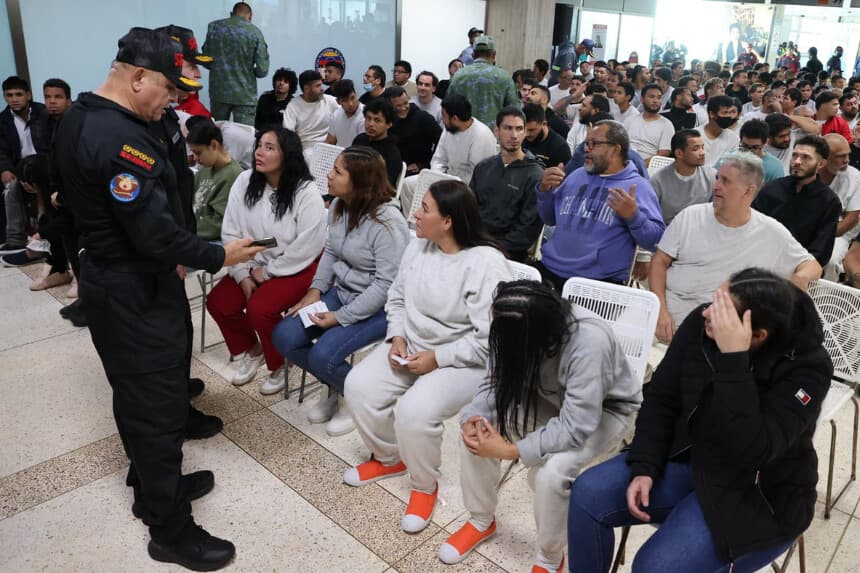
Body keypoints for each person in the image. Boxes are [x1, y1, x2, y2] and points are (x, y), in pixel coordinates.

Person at [53, 27, 265, 569]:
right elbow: (152, 235)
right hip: (134, 287)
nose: (174, 102)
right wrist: (220, 255)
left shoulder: (83, 115)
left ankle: (151, 483)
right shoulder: (119, 141)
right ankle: (170, 530)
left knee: (144, 391)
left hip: (120, 276)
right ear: (138, 77)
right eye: (169, 91)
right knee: (154, 403)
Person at [569, 268, 833, 573]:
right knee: (587, 494)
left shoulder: (808, 369)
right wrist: (645, 464)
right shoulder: (702, 322)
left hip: (756, 491)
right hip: (689, 458)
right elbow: (662, 398)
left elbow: (756, 451)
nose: (707, 313)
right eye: (713, 301)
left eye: (722, 312)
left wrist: (734, 360)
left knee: (655, 568)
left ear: (756, 335)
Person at [342, 180, 512, 534]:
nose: (415, 214)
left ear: (448, 221)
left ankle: (424, 486)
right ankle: (389, 458)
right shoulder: (418, 248)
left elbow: (490, 340)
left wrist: (439, 357)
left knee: (414, 412)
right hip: (412, 345)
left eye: (425, 209)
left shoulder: (486, 265)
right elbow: (397, 298)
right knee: (358, 386)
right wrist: (398, 336)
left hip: (464, 359)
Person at [438, 280, 641, 572]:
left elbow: (577, 424)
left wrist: (513, 450)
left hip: (606, 412)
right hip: (547, 395)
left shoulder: (588, 341)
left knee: (551, 475)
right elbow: (495, 380)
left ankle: (550, 557)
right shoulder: (511, 323)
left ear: (538, 338)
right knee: (476, 434)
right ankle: (482, 519)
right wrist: (473, 415)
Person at [272, 146, 408, 435]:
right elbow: (331, 252)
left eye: (337, 171)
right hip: (342, 292)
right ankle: (341, 388)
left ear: (359, 182)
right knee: (284, 335)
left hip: (380, 306)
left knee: (323, 355)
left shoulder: (387, 223)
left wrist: (340, 316)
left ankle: (356, 398)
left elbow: (385, 286)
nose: (329, 176)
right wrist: (315, 291)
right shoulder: (337, 205)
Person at [650, 154, 821, 341]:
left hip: (718, 329)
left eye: (725, 181)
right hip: (668, 316)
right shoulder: (690, 216)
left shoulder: (770, 231)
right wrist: (660, 310)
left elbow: (812, 265)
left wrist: (800, 277)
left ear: (749, 191)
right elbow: (659, 261)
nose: (716, 186)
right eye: (717, 178)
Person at [206, 126, 327, 391]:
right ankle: (253, 349)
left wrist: (268, 273)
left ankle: (279, 363)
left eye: (270, 147)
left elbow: (307, 246)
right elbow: (230, 232)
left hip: (298, 265)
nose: (259, 152)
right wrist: (241, 273)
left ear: (288, 155)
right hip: (252, 264)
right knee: (219, 303)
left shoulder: (305, 191)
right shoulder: (245, 180)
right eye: (259, 145)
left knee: (260, 309)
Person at [536, 120, 665, 290]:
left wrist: (634, 217)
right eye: (586, 143)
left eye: (594, 144)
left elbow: (656, 241)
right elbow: (549, 219)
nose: (586, 149)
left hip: (597, 284)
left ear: (615, 149)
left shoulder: (637, 187)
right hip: (551, 270)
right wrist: (545, 192)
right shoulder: (576, 175)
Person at [753, 134, 842, 267]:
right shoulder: (773, 187)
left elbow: (820, 252)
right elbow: (752, 225)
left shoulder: (829, 202)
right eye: (795, 155)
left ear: (821, 164)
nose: (797, 161)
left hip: (799, 268)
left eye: (806, 157)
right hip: (759, 258)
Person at [470, 107, 544, 262]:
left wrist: (494, 249)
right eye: (508, 128)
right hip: (474, 244)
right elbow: (469, 210)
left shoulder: (534, 174)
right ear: (497, 131)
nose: (514, 135)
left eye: (519, 129)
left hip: (508, 253)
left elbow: (528, 228)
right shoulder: (483, 167)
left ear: (525, 133)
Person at [0, 76, 51, 254]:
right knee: (10, 188)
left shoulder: (44, 113)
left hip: (44, 165)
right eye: (9, 95)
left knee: (42, 185)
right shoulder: (3, 120)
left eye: (19, 94)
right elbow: (2, 150)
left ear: (28, 95)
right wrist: (5, 169)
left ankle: (44, 236)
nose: (14, 99)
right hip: (19, 168)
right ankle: (15, 240)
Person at [202, 2, 269, 125]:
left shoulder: (214, 27)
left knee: (217, 133)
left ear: (231, 14)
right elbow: (262, 70)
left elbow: (205, 60)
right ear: (250, 16)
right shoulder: (255, 32)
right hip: (245, 95)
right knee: (244, 136)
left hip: (219, 93)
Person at [187, 120, 243, 241]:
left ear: (213, 145)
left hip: (214, 241)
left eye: (198, 152)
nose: (195, 159)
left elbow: (218, 224)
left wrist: (185, 233)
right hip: (193, 234)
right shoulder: (204, 170)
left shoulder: (234, 175)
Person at [448, 35, 520, 128]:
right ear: (493, 55)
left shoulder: (458, 76)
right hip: (493, 137)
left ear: (473, 55)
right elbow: (515, 112)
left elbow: (448, 109)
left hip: (464, 136)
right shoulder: (504, 77)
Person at [651, 129, 715, 225]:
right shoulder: (658, 181)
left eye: (702, 147)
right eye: (695, 149)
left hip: (701, 230)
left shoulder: (712, 176)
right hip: (669, 232)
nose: (702, 153)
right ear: (679, 153)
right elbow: (653, 218)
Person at [818, 134, 860, 280]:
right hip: (808, 227)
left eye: (848, 155)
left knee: (830, 260)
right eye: (840, 156)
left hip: (838, 233)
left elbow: (852, 218)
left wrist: (824, 236)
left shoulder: (855, 177)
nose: (847, 160)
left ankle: (827, 297)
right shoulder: (810, 173)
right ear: (824, 158)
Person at [429, 94, 497, 183]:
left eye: (443, 115)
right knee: (408, 184)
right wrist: (436, 178)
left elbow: (477, 175)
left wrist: (450, 182)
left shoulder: (482, 135)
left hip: (467, 187)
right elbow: (439, 159)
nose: (442, 118)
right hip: (445, 180)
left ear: (455, 118)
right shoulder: (449, 128)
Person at [385, 86, 441, 177]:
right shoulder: (386, 121)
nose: (403, 108)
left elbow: (441, 143)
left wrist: (425, 165)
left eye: (405, 103)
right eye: (398, 106)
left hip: (417, 172)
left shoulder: (423, 118)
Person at [282, 70, 338, 154]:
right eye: (318, 86)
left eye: (321, 84)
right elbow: (288, 134)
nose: (322, 89)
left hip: (329, 147)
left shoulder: (329, 100)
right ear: (307, 89)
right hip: (304, 149)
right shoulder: (293, 106)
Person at [352, 98, 403, 187]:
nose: (370, 124)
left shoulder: (392, 153)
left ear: (388, 124)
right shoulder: (360, 140)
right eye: (368, 118)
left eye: (377, 120)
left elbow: (386, 187)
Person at [626, 84, 674, 165]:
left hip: (649, 166)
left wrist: (639, 165)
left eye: (659, 97)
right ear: (642, 99)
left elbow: (663, 153)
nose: (655, 101)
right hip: (626, 162)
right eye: (652, 97)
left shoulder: (667, 125)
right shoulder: (630, 119)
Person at [696, 95, 740, 168]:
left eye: (730, 112)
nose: (729, 116)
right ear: (712, 114)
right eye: (725, 113)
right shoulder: (694, 135)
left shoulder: (734, 139)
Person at [523, 103, 571, 169]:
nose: (527, 134)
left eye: (531, 130)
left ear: (544, 123)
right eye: (524, 129)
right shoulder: (520, 138)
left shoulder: (559, 148)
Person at [325, 79, 365, 147]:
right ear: (338, 102)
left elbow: (363, 146)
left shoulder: (366, 115)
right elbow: (330, 141)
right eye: (345, 100)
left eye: (352, 98)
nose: (351, 104)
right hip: (341, 154)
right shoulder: (336, 115)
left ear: (356, 94)